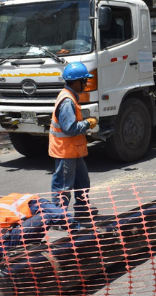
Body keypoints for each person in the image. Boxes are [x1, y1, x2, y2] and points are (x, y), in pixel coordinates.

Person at [0, 193, 80, 265]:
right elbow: (59, 214)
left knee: (16, 227)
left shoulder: (8, 201)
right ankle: (19, 255)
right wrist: (77, 232)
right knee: (47, 216)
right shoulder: (36, 201)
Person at [49, 62, 99, 219]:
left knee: (82, 182)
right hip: (66, 152)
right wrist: (87, 123)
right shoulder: (67, 101)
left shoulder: (70, 97)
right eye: (84, 81)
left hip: (74, 151)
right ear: (77, 82)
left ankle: (83, 209)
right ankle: (58, 216)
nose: (85, 84)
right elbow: (69, 128)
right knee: (63, 186)